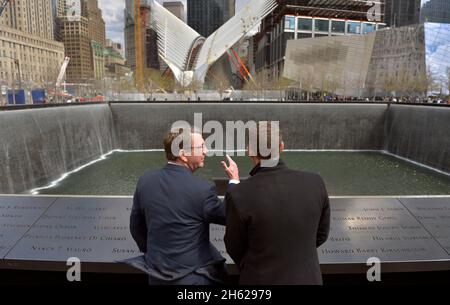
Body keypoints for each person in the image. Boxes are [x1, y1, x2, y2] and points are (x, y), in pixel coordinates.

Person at [129, 127, 240, 285]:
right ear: (183, 155)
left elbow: (136, 227)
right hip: (193, 279)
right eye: (201, 147)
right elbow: (228, 215)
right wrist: (233, 182)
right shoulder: (202, 189)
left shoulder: (145, 181)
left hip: (156, 275)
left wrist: (155, 254)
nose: (206, 151)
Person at [224, 124, 330, 285]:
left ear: (249, 150)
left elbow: (233, 246)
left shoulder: (239, 194)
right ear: (281, 147)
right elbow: (321, 234)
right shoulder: (315, 182)